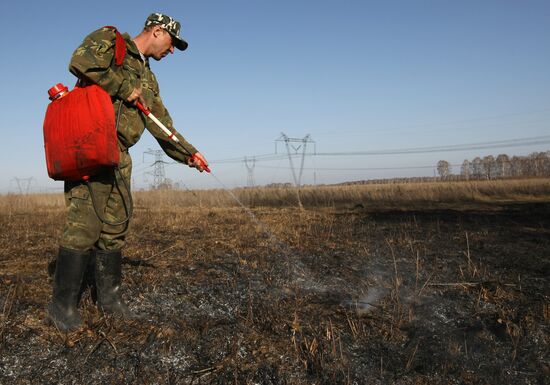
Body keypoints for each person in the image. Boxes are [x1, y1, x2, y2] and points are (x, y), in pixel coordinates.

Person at [47, 13, 208, 332]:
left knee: (114, 227)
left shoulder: (149, 78)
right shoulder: (110, 41)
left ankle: (110, 300)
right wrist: (123, 86)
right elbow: (80, 62)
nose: (172, 51)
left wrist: (189, 154)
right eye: (172, 43)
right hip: (90, 147)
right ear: (158, 31)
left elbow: (161, 123)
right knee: (84, 225)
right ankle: (61, 308)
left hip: (119, 154)